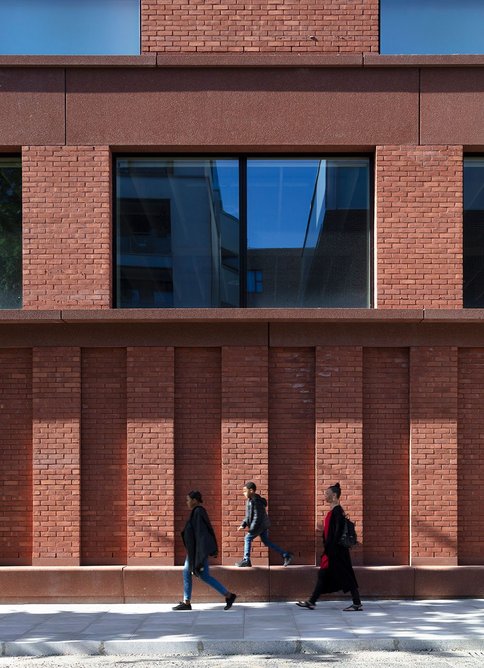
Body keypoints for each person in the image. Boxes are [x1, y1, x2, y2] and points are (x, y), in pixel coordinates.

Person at [296, 482, 363, 612]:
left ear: (334, 495)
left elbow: (336, 533)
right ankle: (312, 601)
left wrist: (330, 549)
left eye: (327, 494)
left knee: (344, 576)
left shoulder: (337, 512)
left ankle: (356, 603)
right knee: (326, 575)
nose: (325, 496)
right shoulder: (334, 511)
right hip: (333, 551)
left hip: (336, 552)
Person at [173, 490, 237, 611]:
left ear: (195, 500)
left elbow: (201, 535)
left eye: (188, 500)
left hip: (198, 552)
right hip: (195, 551)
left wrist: (200, 557)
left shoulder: (198, 512)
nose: (187, 502)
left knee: (201, 575)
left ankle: (228, 595)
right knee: (191, 573)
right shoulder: (196, 512)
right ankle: (187, 601)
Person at [235, 481, 294, 567]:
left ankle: (246, 560)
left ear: (251, 490)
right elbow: (248, 515)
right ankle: (286, 555)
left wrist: (252, 529)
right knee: (267, 542)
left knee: (247, 538)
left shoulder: (256, 501)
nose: (243, 493)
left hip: (260, 525)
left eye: (245, 491)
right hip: (261, 526)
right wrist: (243, 524)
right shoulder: (250, 501)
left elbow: (257, 517)